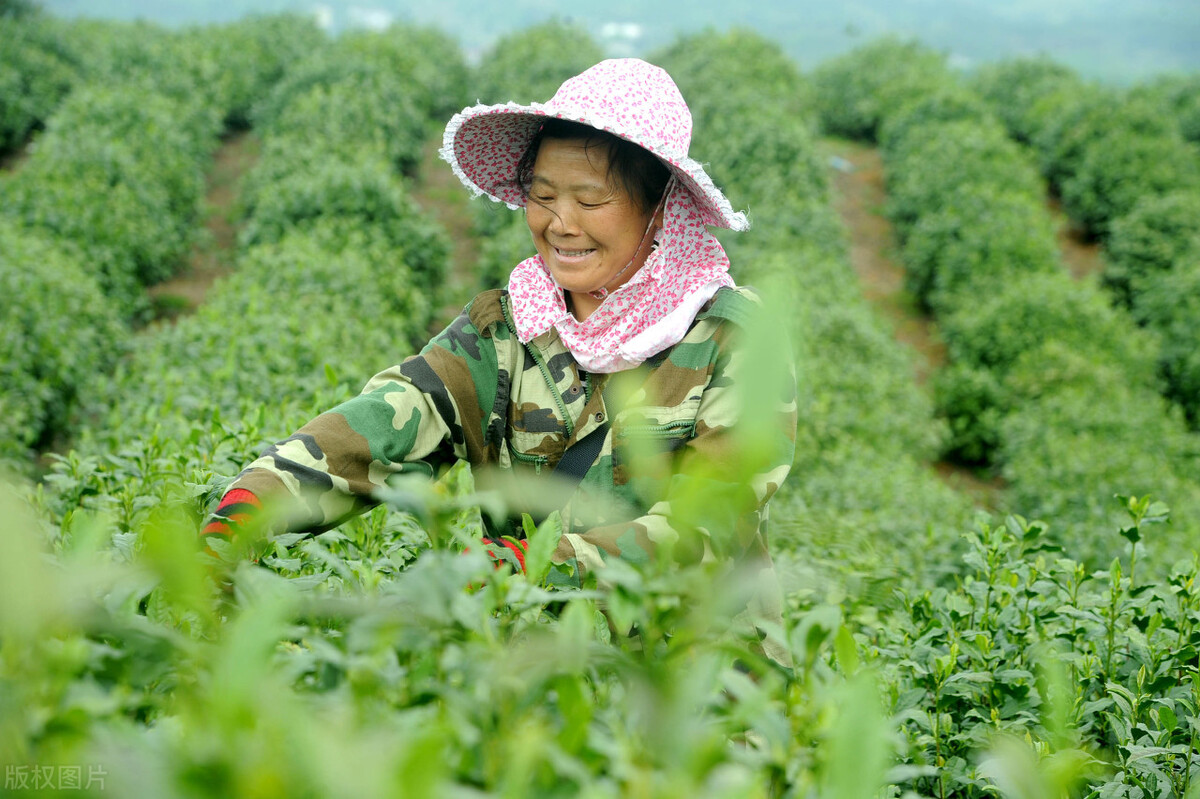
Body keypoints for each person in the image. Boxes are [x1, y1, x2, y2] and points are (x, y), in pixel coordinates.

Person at [201, 58, 797, 662]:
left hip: (696, 691)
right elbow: (391, 415)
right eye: (542, 196)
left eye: (590, 201)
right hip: (534, 674)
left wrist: (534, 564)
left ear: (660, 207)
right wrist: (254, 499)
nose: (560, 223)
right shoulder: (508, 327)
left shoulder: (731, 338)